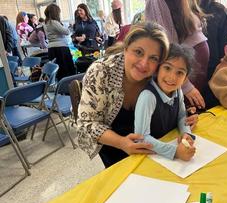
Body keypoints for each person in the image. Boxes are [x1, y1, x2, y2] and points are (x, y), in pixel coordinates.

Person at [77, 22, 198, 168]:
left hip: (152, 145)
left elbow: (173, 102)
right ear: (126, 48)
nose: (144, 64)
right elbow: (87, 124)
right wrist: (121, 142)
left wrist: (186, 119)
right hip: (113, 144)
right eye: (138, 52)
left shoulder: (158, 75)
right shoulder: (101, 72)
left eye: (153, 58)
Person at [134, 43, 196, 161]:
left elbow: (182, 116)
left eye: (180, 73)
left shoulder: (178, 90)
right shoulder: (148, 97)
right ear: (157, 69)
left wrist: (186, 133)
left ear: (186, 78)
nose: (172, 77)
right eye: (167, 68)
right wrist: (175, 152)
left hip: (166, 149)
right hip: (149, 157)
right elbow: (141, 138)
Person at [145, 0, 207, 109]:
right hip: (182, 72)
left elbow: (170, 40)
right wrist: (186, 85)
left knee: (186, 116)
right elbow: (166, 42)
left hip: (187, 70)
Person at [199, 0, 227, 109]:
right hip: (186, 75)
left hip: (212, 74)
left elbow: (226, 51)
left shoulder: (221, 12)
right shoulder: (183, 8)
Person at [44, 3, 76, 80]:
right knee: (66, 69)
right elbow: (66, 32)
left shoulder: (47, 23)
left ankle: (62, 89)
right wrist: (71, 26)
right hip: (60, 48)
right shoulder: (53, 22)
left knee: (59, 71)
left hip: (52, 48)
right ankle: (67, 88)